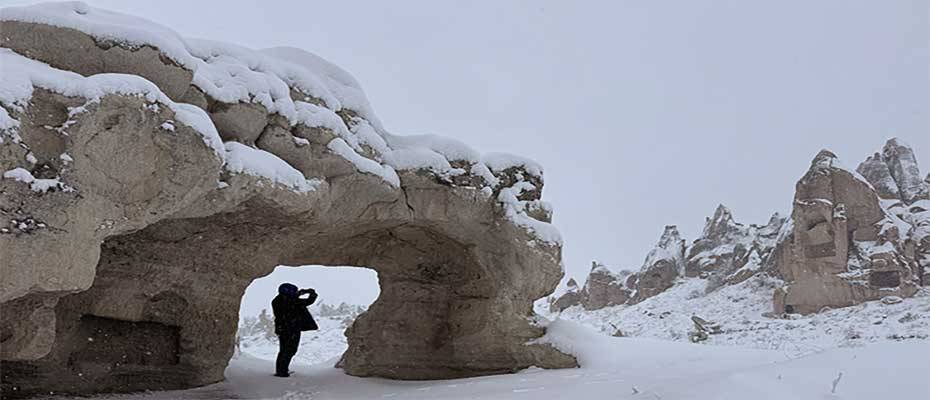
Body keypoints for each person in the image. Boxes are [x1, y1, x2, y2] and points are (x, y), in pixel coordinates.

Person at [271, 282, 318, 377]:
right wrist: (312, 293)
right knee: (290, 350)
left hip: (284, 328)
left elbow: (292, 300)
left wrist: (299, 293)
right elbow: (308, 301)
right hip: (291, 328)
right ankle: (282, 372)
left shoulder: (278, 300)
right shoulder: (290, 301)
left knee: (284, 350)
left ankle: (282, 370)